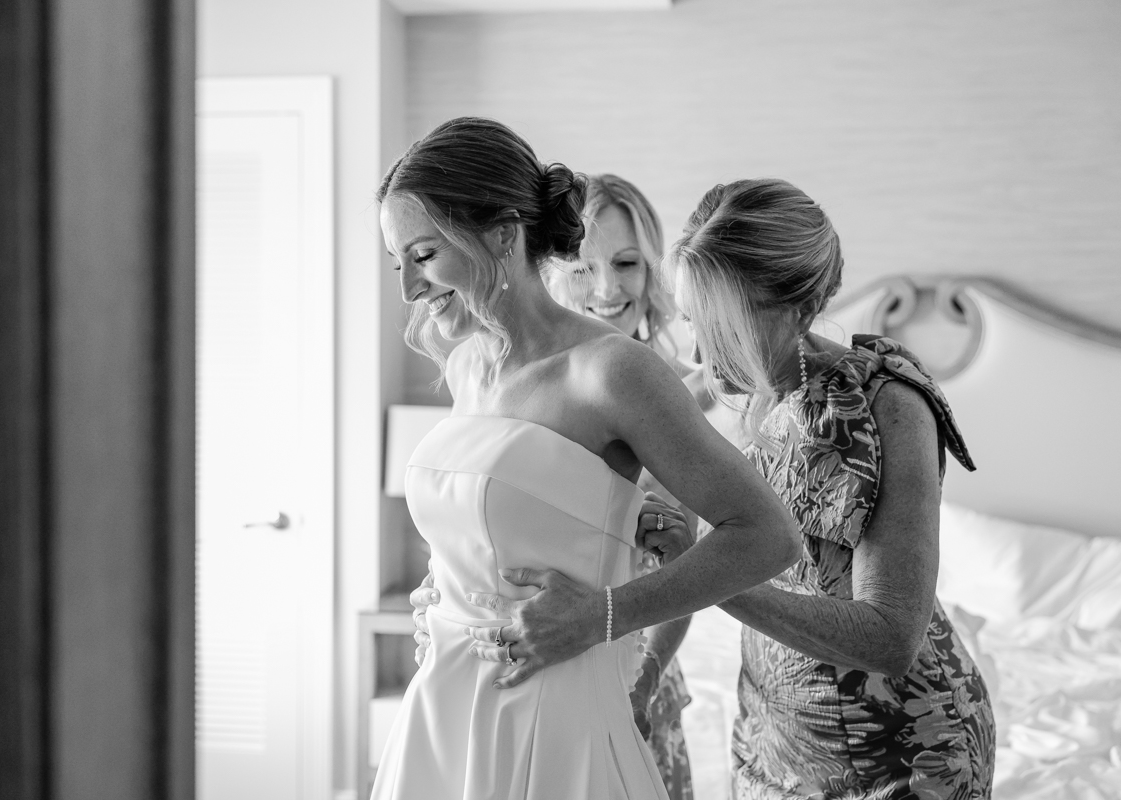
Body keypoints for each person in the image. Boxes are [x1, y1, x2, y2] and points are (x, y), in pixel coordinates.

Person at [470, 178, 997, 799]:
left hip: (906, 751)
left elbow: (890, 637)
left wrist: (709, 569)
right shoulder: (699, 397)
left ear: (796, 307)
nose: (699, 348)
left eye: (722, 325)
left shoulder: (891, 406)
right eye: (692, 319)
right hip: (771, 741)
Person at [371, 117, 800, 800]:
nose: (409, 289)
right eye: (399, 262)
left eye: (423, 255)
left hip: (556, 720)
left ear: (502, 234)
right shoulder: (467, 365)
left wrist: (604, 613)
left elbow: (769, 536)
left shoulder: (613, 371)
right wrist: (439, 589)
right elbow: (486, 522)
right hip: (443, 710)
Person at [412, 173, 704, 799]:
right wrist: (443, 589)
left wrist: (643, 679)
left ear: (651, 270)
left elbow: (704, 559)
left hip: (629, 667)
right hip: (498, 671)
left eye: (626, 264)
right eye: (584, 268)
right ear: (551, 268)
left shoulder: (676, 390)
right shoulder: (483, 367)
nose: (607, 289)